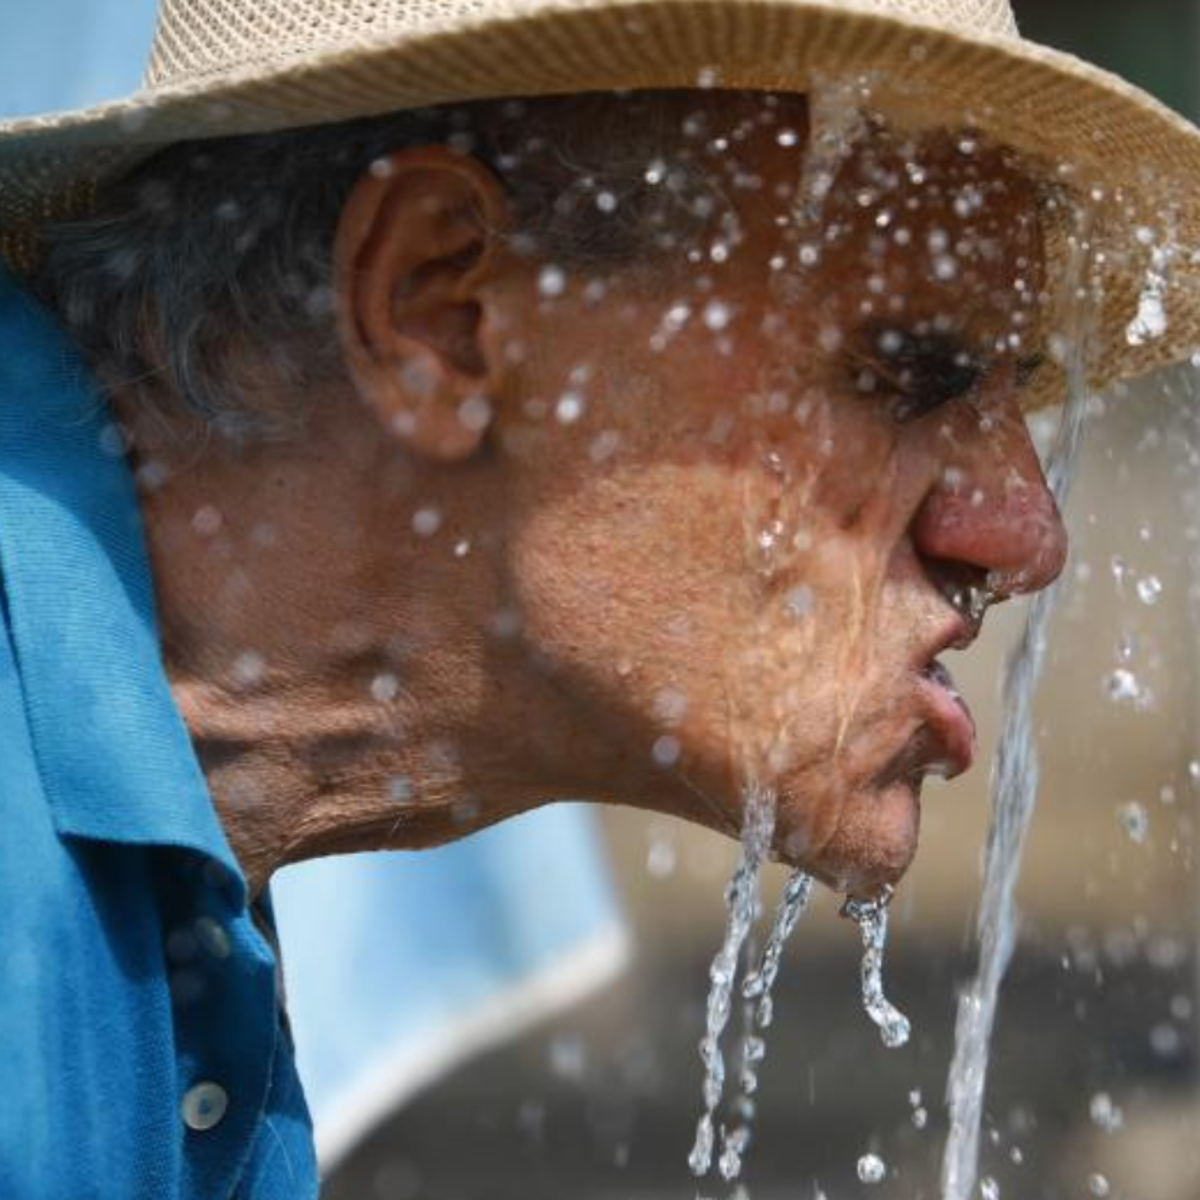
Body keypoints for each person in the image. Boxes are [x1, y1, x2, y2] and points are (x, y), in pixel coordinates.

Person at [0, 0, 1196, 1195]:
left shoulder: (149, 876)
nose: (1021, 534)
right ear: (436, 307)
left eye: (1018, 394)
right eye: (905, 375)